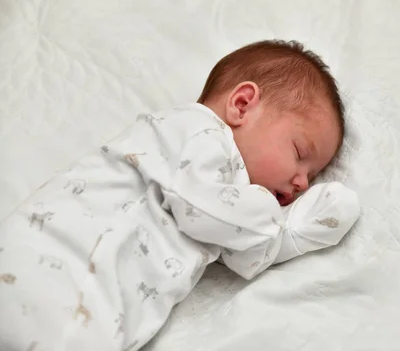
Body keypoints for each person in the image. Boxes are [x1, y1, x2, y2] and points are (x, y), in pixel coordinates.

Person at [0, 40, 360, 351]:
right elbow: (207, 213)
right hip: (49, 272)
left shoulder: (229, 202)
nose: (302, 183)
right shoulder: (195, 131)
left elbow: (244, 251)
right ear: (243, 104)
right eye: (299, 153)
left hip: (95, 314)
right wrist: (275, 223)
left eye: (313, 176)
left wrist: (303, 229)